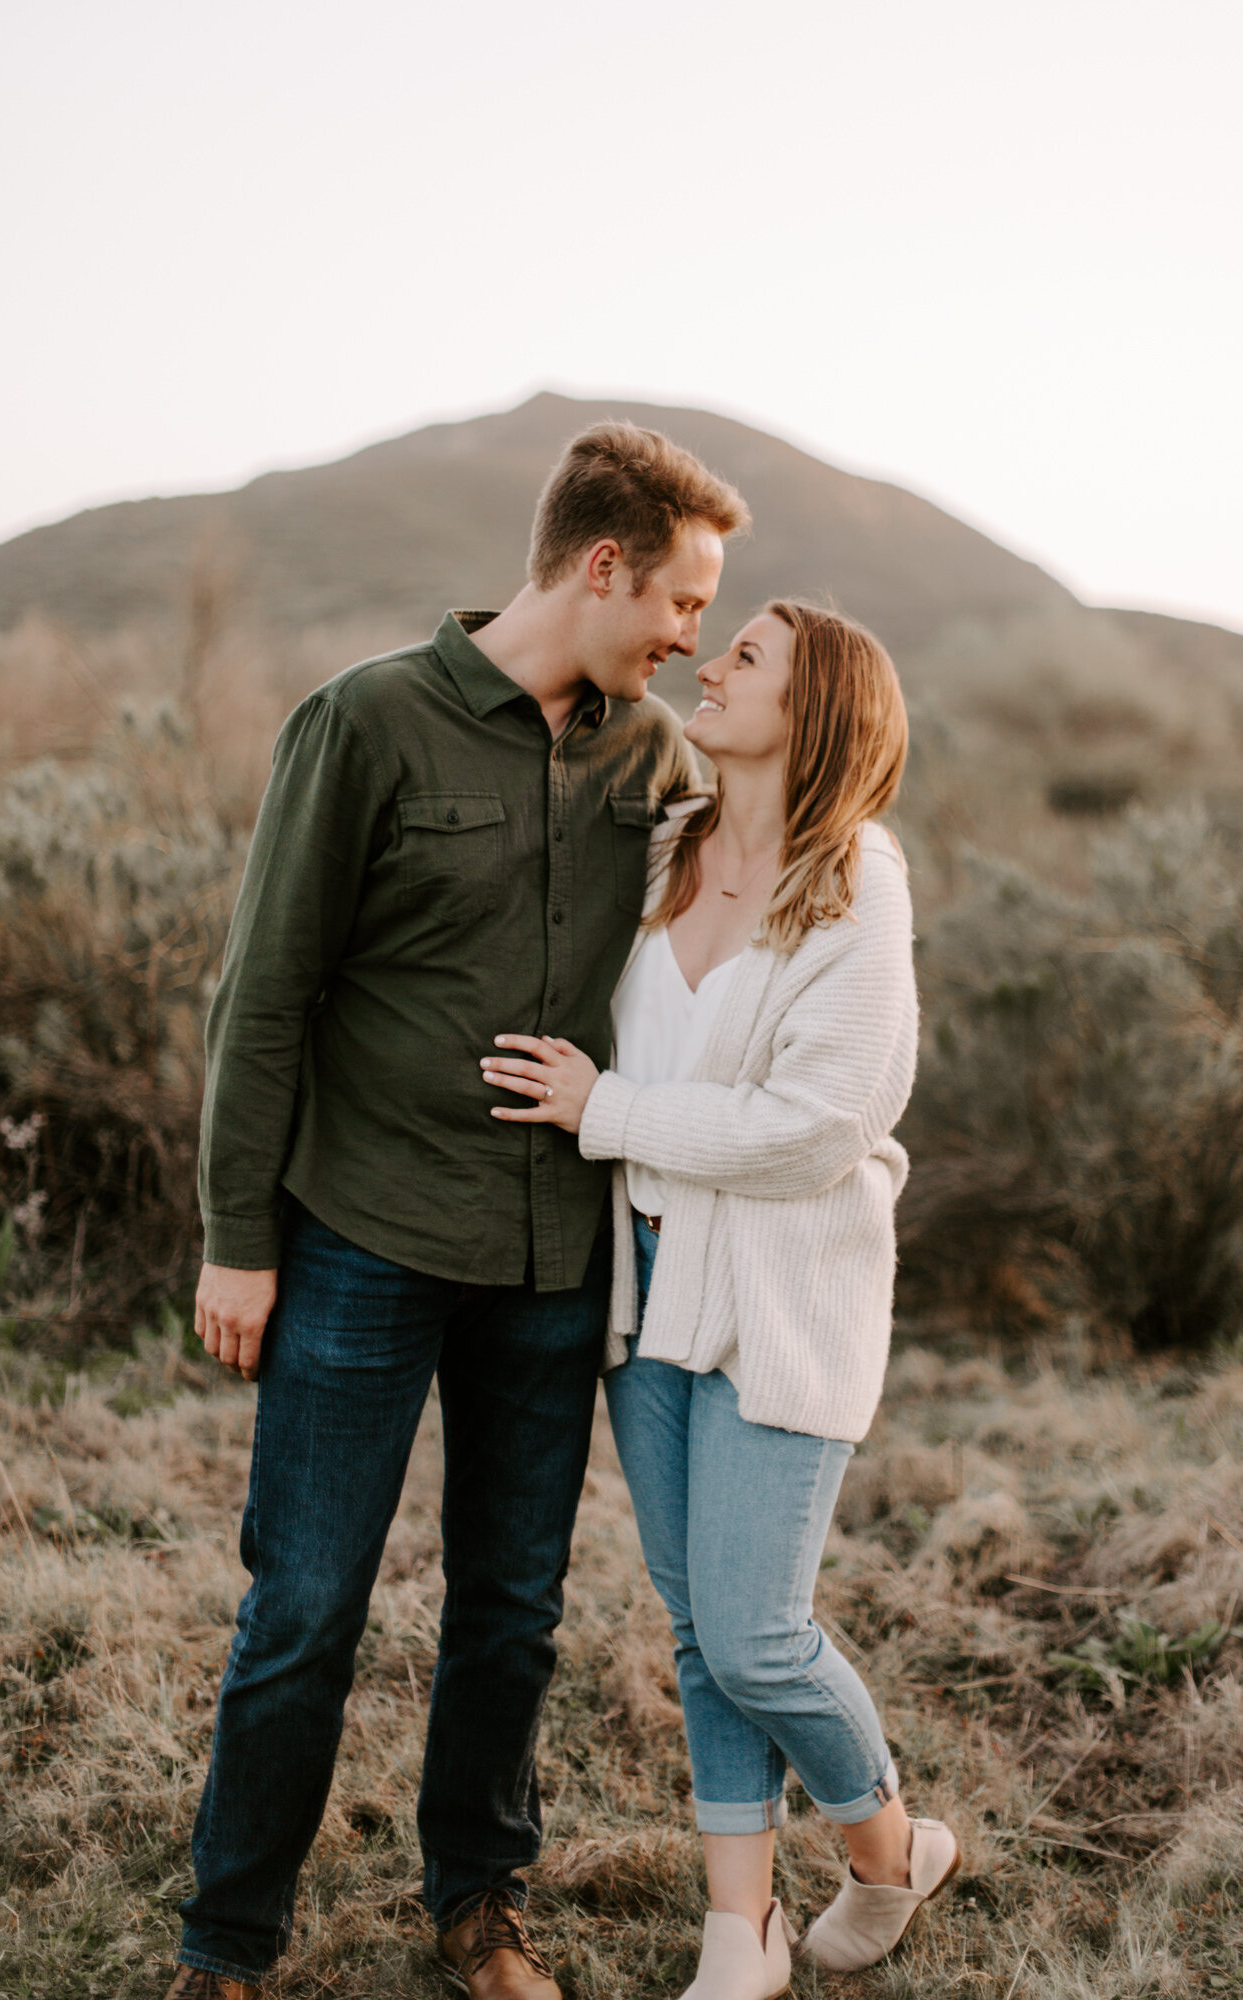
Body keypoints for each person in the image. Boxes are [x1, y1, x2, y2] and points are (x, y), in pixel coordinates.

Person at [164, 422, 750, 2000]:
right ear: (603, 565)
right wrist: (238, 1237)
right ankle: (229, 1942)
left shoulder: (658, 761)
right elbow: (264, 994)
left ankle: (478, 1904)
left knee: (511, 1611)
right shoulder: (364, 721)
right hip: (357, 1234)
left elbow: (758, 895)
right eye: (683, 604)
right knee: (303, 1607)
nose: (690, 641)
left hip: (554, 1258)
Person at [479, 600, 960, 1999]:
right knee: (697, 1631)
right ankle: (736, 1929)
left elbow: (814, 1127)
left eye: (745, 655)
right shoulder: (664, 844)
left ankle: (884, 1846)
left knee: (757, 1631)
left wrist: (604, 1109)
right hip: (645, 1289)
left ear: (814, 712)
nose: (709, 661)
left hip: (784, 1297)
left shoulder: (857, 877)